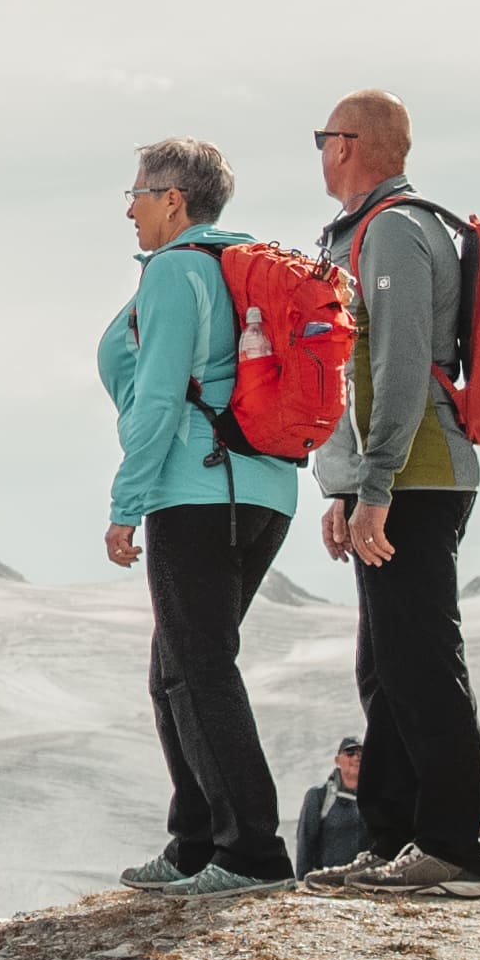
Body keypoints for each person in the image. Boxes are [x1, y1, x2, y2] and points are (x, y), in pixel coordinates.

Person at [301, 85, 480, 886]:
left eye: (323, 138)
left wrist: (373, 483)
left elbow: (402, 363)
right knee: (383, 667)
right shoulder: (368, 232)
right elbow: (361, 376)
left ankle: (455, 847)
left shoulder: (396, 233)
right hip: (388, 478)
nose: (319, 153)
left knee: (420, 659)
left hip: (417, 477)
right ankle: (388, 842)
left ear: (347, 145)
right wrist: (347, 488)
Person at [95, 133, 301, 888]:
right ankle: (195, 843)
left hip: (197, 488)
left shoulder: (179, 270)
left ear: (172, 200)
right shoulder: (240, 268)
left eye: (138, 195)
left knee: (200, 667)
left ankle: (252, 854)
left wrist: (127, 502)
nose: (129, 211)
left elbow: (156, 397)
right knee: (177, 667)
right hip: (267, 490)